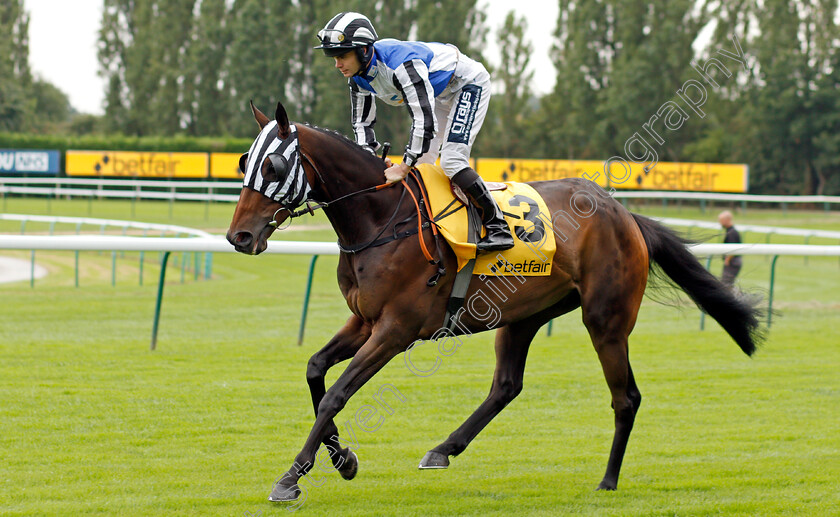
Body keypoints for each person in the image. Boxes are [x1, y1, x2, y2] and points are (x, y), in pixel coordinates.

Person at [314, 12, 514, 252]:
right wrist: (371, 158)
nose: (337, 64)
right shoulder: (357, 78)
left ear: (364, 51)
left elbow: (424, 121)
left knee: (451, 160)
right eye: (333, 57)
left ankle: (498, 227)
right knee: (424, 167)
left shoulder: (401, 64)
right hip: (439, 93)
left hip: (466, 83)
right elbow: (361, 125)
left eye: (342, 56)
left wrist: (404, 166)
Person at [718, 210, 742, 286]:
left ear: (727, 220)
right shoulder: (731, 231)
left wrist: (727, 260)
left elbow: (733, 248)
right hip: (734, 260)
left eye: (721, 220)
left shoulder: (732, 233)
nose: (720, 223)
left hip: (733, 261)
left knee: (726, 284)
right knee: (727, 284)